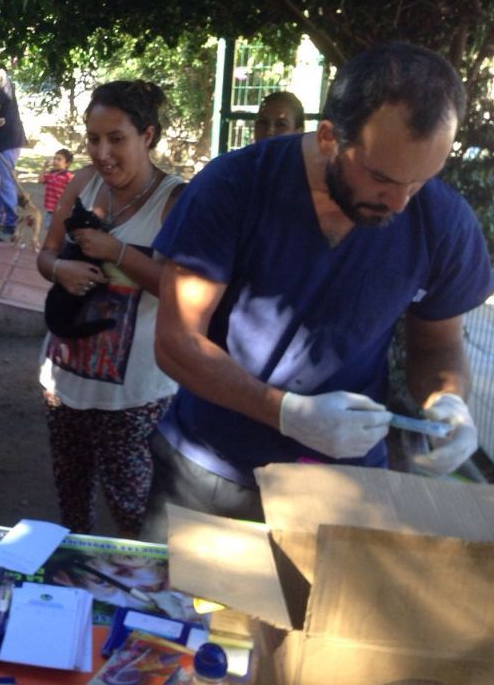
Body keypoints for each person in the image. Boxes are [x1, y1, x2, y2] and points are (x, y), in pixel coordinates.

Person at [146, 42, 493, 542]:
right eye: (381, 178)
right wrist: (285, 412)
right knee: (174, 595)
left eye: (420, 181)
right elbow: (176, 341)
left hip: (344, 483)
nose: (399, 202)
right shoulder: (234, 187)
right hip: (210, 470)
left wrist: (449, 402)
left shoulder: (441, 220)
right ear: (329, 137)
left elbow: (438, 345)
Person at [36, 81, 185, 538]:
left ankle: (142, 584)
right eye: (93, 139)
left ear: (148, 135)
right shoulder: (83, 182)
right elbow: (46, 255)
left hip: (133, 397)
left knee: (135, 513)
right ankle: (77, 577)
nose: (102, 153)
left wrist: (117, 252)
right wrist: (60, 269)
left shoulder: (173, 200)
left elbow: (183, 292)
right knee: (72, 504)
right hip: (63, 381)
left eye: (116, 139)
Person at [0, 71, 27, 241]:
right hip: (2, 141)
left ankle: (10, 222)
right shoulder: (0, 80)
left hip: (6, 141)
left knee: (4, 181)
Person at [38, 148, 74, 229]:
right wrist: (44, 167)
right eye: (54, 159)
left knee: (61, 231)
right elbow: (40, 180)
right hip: (50, 211)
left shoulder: (68, 176)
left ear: (67, 163)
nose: (55, 161)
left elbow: (75, 189)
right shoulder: (51, 174)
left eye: (59, 159)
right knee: (49, 230)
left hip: (62, 211)